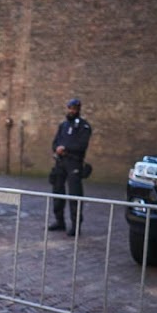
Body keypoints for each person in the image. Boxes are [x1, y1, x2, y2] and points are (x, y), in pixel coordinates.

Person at [49, 98, 92, 235]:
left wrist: (65, 148)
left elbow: (82, 145)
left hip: (74, 162)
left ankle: (75, 225)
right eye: (69, 108)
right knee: (57, 191)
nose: (71, 111)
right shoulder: (63, 125)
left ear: (78, 109)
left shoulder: (84, 127)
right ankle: (59, 221)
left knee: (75, 194)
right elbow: (55, 142)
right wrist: (57, 148)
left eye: (74, 108)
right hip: (60, 162)